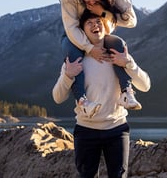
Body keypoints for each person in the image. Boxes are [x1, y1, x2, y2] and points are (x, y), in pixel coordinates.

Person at [52, 10, 151, 178]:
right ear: (81, 32)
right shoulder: (75, 59)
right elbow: (58, 97)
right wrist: (68, 75)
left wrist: (128, 63)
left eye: (98, 21)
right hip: (85, 130)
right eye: (89, 23)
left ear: (105, 26)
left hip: (117, 129)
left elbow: (145, 85)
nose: (95, 25)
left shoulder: (119, 55)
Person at [59, 0, 141, 118]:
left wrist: (103, 12)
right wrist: (90, 49)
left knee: (118, 44)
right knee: (73, 55)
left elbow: (131, 21)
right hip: (75, 34)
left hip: (101, 33)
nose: (90, 3)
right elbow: (70, 27)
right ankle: (83, 102)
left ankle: (126, 93)